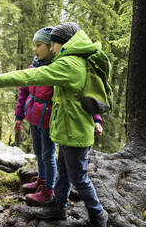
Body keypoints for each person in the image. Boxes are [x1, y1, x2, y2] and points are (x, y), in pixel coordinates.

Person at [0, 22, 108, 226]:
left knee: (79, 178)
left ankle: (98, 215)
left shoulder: (69, 64)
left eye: (53, 43)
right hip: (68, 130)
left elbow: (33, 75)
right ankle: (59, 207)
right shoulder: (72, 60)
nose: (52, 48)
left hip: (75, 132)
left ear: (62, 43)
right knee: (64, 173)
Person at [16, 26, 103, 206]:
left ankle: (49, 189)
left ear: (51, 47)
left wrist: (96, 119)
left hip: (50, 120)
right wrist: (19, 115)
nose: (35, 49)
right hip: (33, 116)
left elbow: (84, 94)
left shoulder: (61, 68)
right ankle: (42, 181)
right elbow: (24, 90)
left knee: (48, 155)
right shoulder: (35, 65)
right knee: (39, 153)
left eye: (39, 45)